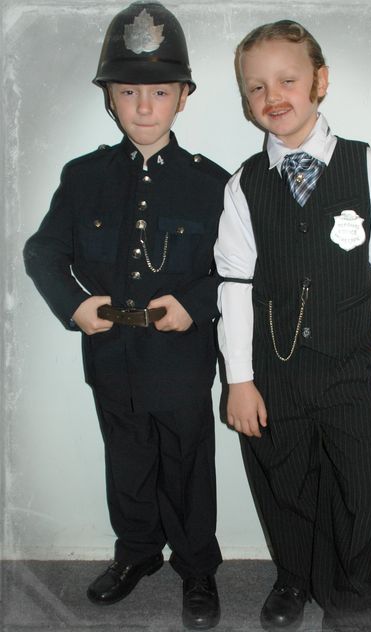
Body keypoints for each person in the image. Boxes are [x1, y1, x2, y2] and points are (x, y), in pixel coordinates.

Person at [23, 3, 228, 629]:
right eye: (129, 90)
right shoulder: (83, 177)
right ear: (110, 97)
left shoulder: (214, 184)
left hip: (182, 361)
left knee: (188, 469)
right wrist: (75, 303)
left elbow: (238, 270)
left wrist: (193, 306)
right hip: (112, 355)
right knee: (128, 463)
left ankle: (197, 569)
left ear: (184, 98)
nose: (144, 105)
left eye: (160, 91)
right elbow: (44, 251)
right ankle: (136, 554)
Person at [215, 19, 371, 632]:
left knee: (363, 481)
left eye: (287, 80)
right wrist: (240, 381)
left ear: (320, 81)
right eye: (255, 88)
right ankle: (294, 576)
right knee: (285, 480)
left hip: (353, 368)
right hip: (273, 373)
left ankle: (353, 590)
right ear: (246, 101)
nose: (272, 96)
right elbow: (235, 287)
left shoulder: (369, 167)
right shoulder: (244, 185)